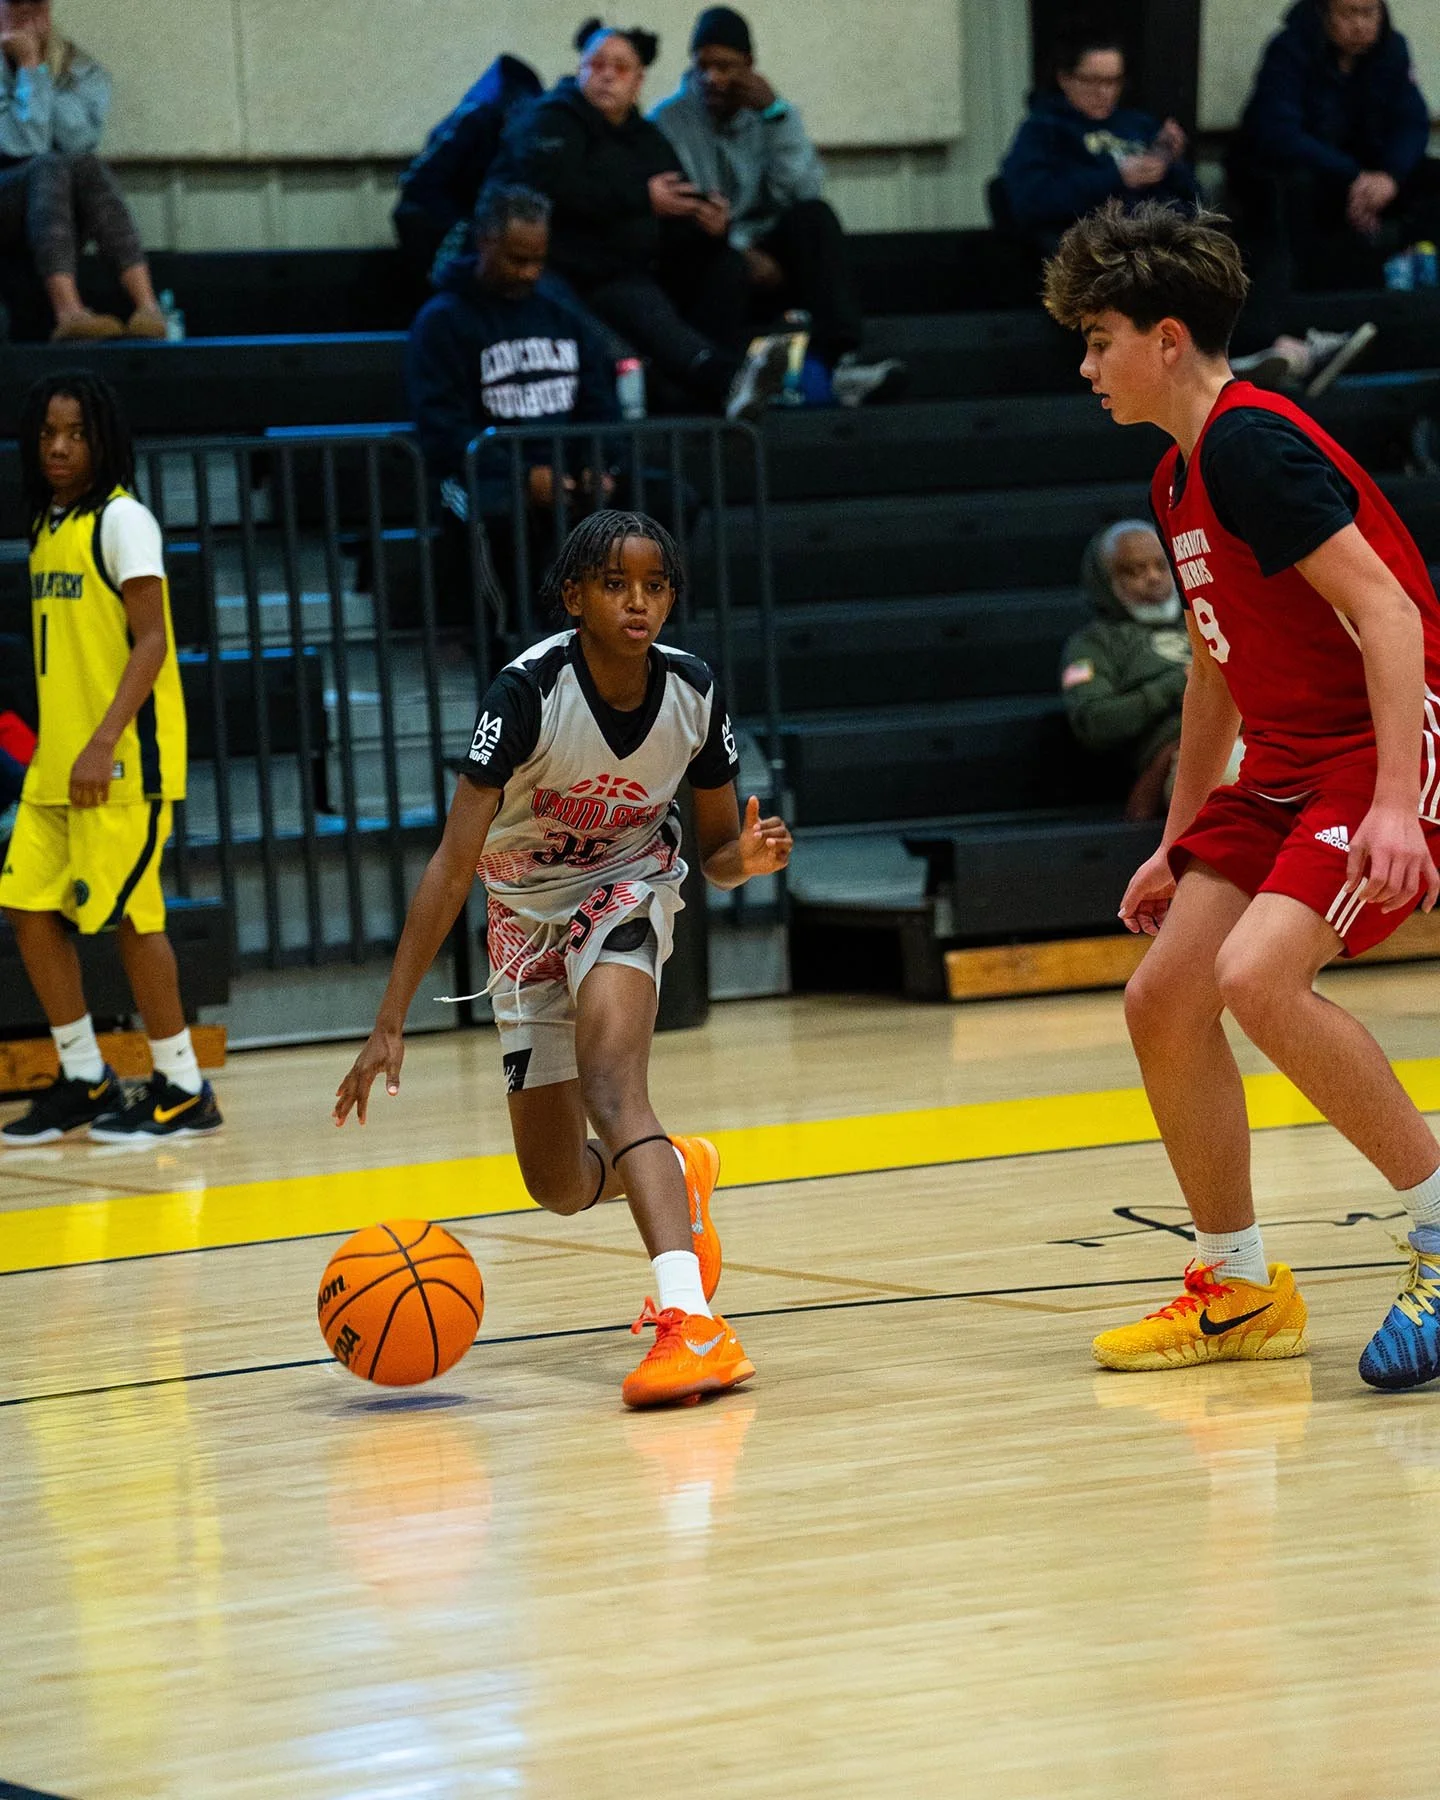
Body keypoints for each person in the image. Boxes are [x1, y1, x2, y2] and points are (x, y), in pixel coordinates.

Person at [1044, 198, 1440, 1390]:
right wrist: (1177, 841)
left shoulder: (1251, 444)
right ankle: (1238, 1284)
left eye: (1100, 335)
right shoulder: (1178, 477)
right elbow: (1216, 662)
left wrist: (1391, 801)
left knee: (1258, 974)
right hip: (1281, 763)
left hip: (1372, 746)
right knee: (1164, 996)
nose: (1085, 362)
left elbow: (1390, 614)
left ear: (1168, 338)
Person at [334, 509, 792, 1407]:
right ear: (574, 595)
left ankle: (690, 1321)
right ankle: (673, 1166)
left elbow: (715, 851)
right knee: (556, 1181)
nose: (639, 602)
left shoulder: (695, 692)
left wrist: (751, 860)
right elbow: (452, 862)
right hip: (522, 917)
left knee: (613, 1086)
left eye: (656, 586)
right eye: (617, 584)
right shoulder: (526, 695)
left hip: (629, 885)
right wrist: (390, 1021)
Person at [0, 374, 221, 1143]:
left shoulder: (124, 521)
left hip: (124, 760)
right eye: (49, 433)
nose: (59, 446)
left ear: (103, 440)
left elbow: (154, 639)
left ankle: (185, 1088)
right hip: (55, 766)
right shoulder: (46, 522)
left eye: (77, 433)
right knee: (28, 909)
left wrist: (100, 743)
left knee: (134, 918)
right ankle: (86, 1078)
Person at [486, 19, 789, 419]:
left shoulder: (643, 137)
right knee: (619, 343)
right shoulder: (550, 120)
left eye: (620, 68)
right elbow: (556, 190)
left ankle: (731, 382)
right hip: (548, 268)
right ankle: (685, 398)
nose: (607, 75)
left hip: (615, 270)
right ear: (580, 70)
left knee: (678, 299)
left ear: (638, 81)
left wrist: (711, 227)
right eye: (597, 65)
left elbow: (675, 203)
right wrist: (640, 198)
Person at [649, 6, 900, 406]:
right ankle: (731, 386)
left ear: (749, 66)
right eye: (703, 66)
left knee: (816, 218)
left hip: (765, 244)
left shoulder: (773, 113)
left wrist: (776, 117)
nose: (712, 79)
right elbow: (687, 212)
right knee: (717, 260)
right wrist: (737, 249)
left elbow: (800, 190)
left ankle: (840, 365)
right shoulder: (668, 121)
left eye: (726, 67)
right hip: (711, 251)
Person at [406, 184, 620, 638]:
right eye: (517, 259)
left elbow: (599, 398)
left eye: (538, 260)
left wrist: (596, 463)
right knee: (501, 517)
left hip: (566, 470)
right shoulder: (443, 319)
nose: (529, 273)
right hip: (487, 477)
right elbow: (442, 428)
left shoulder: (560, 306)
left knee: (668, 499)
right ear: (485, 243)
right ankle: (513, 653)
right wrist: (523, 477)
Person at [1230, 0, 1440, 292]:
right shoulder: (1290, 49)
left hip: (1371, 173)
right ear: (1323, 14)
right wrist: (1354, 176)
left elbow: (1412, 122)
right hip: (1315, 170)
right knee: (1296, 184)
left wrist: (1390, 177)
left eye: (1369, 13)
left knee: (1432, 175)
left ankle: (1421, 285)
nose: (1360, 24)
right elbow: (1278, 134)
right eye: (1349, 13)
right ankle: (1307, 302)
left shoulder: (1392, 49)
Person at [0, 0, 166, 340]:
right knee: (45, 164)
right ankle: (68, 311)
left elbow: (79, 141)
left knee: (87, 165)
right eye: (16, 6)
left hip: (56, 210)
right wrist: (30, 68)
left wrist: (44, 71)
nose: (28, 16)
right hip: (7, 200)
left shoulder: (78, 65)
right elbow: (24, 144)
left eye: (36, 6)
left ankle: (148, 307)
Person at [1000, 33, 1200, 255]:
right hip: (1093, 249)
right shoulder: (1042, 130)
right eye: (1093, 81)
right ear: (1065, 79)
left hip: (1162, 239)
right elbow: (1031, 203)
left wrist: (1171, 159)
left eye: (1114, 81)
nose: (1105, 92)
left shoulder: (1140, 124)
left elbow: (1194, 198)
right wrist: (1117, 177)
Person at [1061, 520, 1191, 821]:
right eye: (1135, 570)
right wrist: (1177, 685)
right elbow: (1094, 723)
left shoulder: (1203, 617)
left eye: (1161, 565)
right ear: (1105, 580)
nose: (1154, 577)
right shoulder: (1093, 644)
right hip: (1177, 756)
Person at [393, 54, 545, 284]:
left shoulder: (525, 124)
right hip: (445, 221)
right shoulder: (475, 118)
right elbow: (418, 183)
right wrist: (469, 224)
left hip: (477, 220)